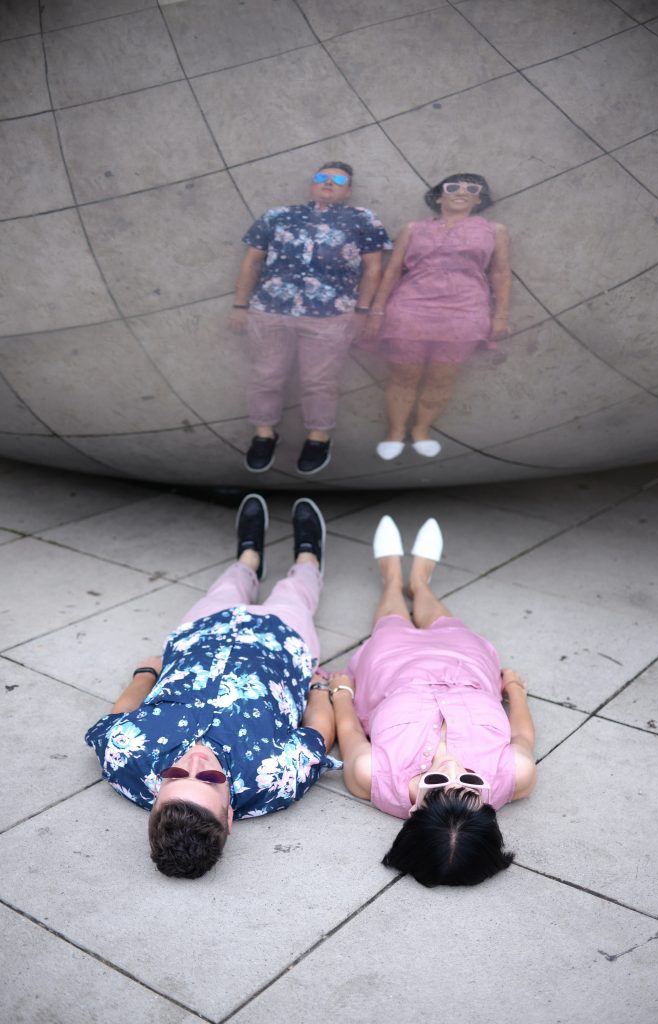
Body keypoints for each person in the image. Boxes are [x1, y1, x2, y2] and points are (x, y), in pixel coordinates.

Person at [85, 495, 337, 879]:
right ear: (230, 815)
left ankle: (250, 555)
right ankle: (308, 556)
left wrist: (144, 674)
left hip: (200, 639)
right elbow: (318, 733)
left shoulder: (124, 760)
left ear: (154, 802)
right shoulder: (275, 779)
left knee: (228, 584)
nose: (194, 764)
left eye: (173, 776)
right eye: (210, 780)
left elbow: (118, 715)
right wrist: (319, 690)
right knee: (295, 593)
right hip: (280, 646)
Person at [329, 514, 536, 887]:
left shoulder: (373, 776)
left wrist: (342, 691)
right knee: (449, 625)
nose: (454, 767)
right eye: (471, 784)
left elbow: (348, 731)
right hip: (465, 670)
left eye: (436, 781)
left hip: (394, 673)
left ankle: (391, 575)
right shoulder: (514, 776)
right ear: (487, 810)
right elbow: (522, 737)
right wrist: (516, 690)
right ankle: (420, 581)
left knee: (390, 624)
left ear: (413, 810)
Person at [230, 162, 391, 475]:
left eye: (338, 179)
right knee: (266, 374)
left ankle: (318, 437)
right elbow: (251, 262)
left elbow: (373, 270)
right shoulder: (276, 215)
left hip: (330, 315)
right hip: (270, 310)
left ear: (348, 189)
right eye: (322, 177)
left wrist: (362, 311)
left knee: (319, 381)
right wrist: (240, 305)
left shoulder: (363, 219)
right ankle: (264, 434)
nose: (328, 183)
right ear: (312, 183)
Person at [364, 173, 511, 460]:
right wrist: (377, 310)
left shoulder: (495, 230)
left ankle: (421, 429)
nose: (462, 192)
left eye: (472, 189)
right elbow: (392, 271)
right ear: (439, 196)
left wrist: (501, 316)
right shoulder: (413, 228)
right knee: (404, 372)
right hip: (411, 308)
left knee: (443, 376)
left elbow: (500, 273)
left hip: (465, 310)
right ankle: (395, 430)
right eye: (453, 187)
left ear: (479, 199)